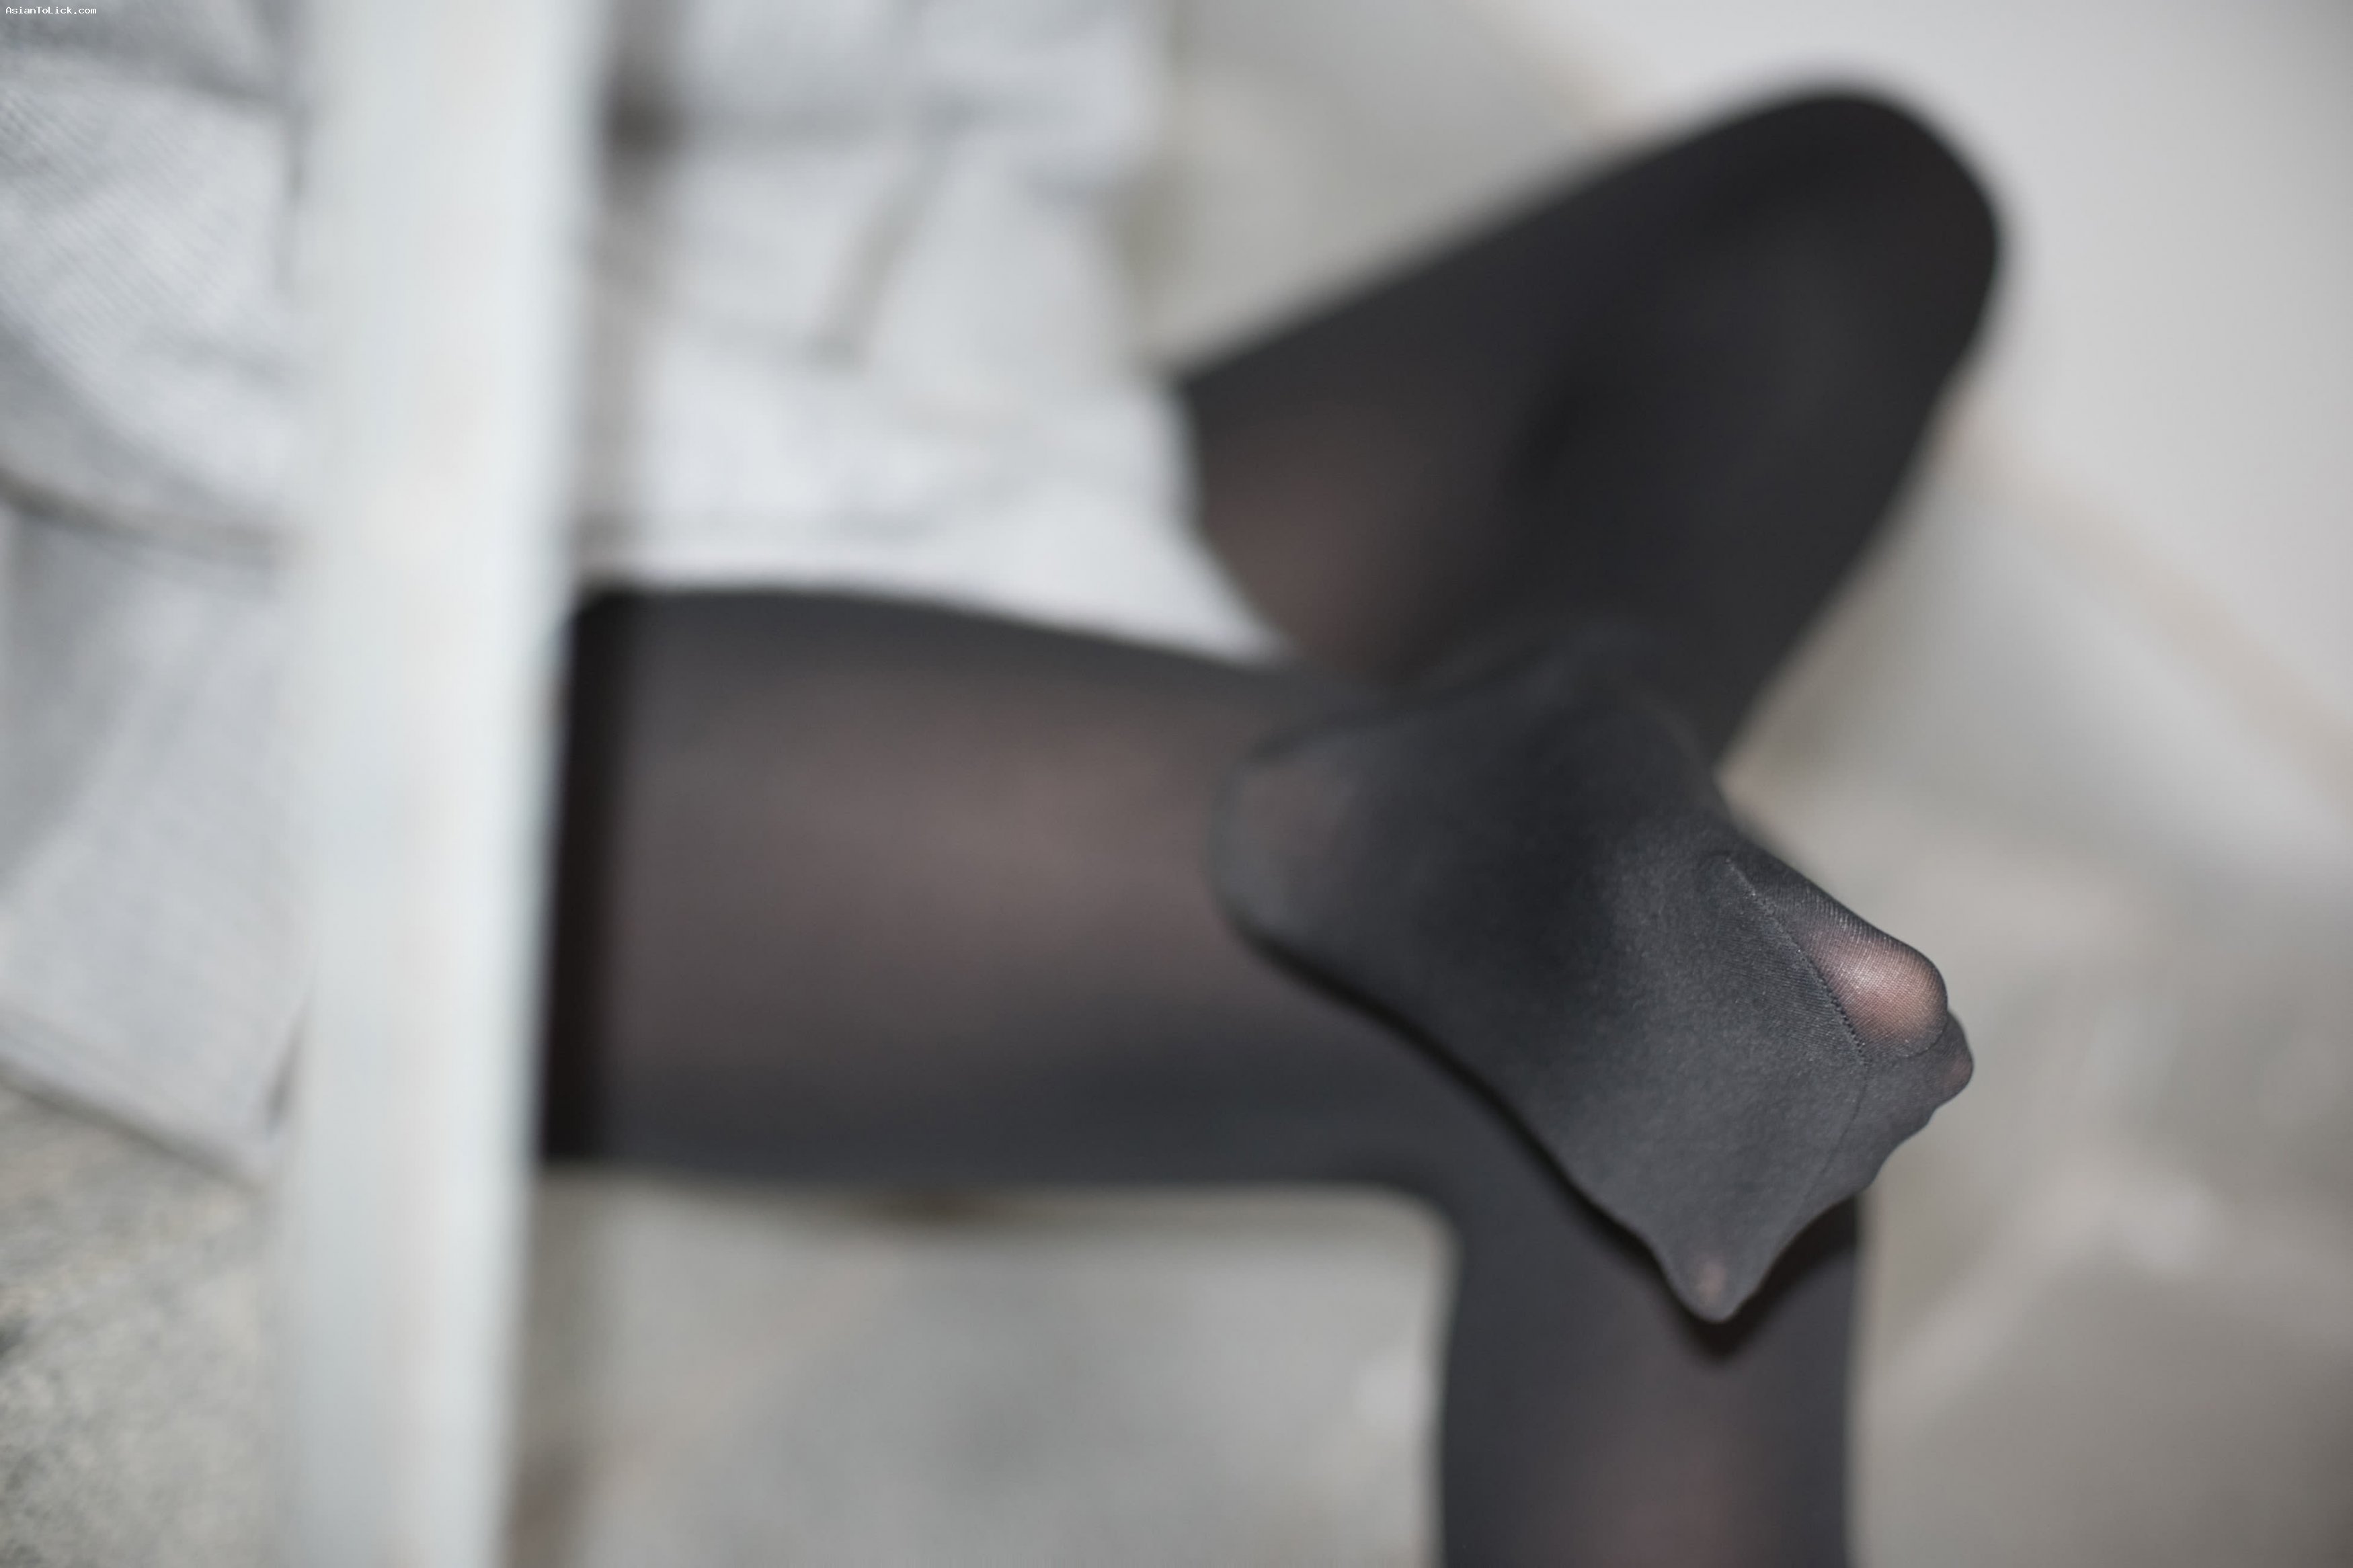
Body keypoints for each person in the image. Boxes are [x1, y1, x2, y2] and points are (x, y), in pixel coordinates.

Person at [542, 79, 1998, 1568]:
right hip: (489, 609)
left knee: (1868, 193)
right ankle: (1490, 825)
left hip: (937, 440)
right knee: (1678, 1068)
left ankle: (1569, 705)